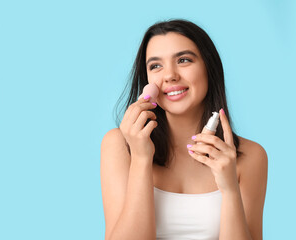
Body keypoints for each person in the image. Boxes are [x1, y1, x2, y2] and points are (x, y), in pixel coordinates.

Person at [100, 19, 268, 240]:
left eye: (183, 60)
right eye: (156, 66)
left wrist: (229, 190)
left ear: (209, 67)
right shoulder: (120, 145)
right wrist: (141, 158)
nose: (170, 75)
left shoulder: (250, 156)